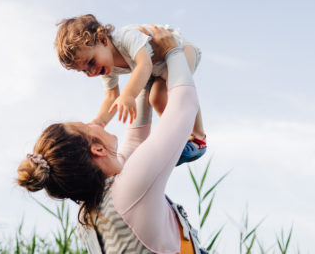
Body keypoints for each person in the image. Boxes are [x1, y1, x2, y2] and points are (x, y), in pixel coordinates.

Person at [18, 26, 205, 253]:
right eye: (86, 126)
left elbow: (135, 142)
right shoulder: (130, 190)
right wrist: (173, 52)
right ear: (97, 149)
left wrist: (144, 83)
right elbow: (183, 106)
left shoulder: (90, 213)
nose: (94, 122)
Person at [54, 14, 206, 165]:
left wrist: (129, 95)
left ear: (102, 39)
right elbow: (111, 96)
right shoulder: (107, 68)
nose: (91, 72)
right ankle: (180, 137)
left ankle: (199, 137)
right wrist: (99, 122)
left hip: (181, 49)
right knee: (156, 98)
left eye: (91, 62)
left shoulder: (127, 36)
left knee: (178, 89)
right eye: (84, 70)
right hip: (161, 67)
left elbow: (144, 65)